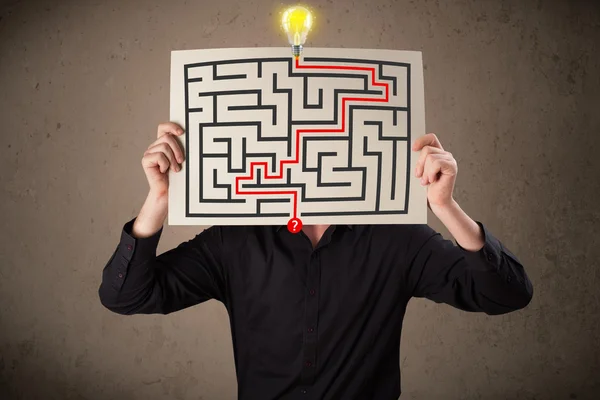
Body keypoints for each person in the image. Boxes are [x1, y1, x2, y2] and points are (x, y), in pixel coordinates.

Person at [99, 122, 533, 400]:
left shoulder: (395, 238)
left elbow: (508, 293)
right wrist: (158, 200)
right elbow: (126, 295)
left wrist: (446, 207)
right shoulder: (235, 240)